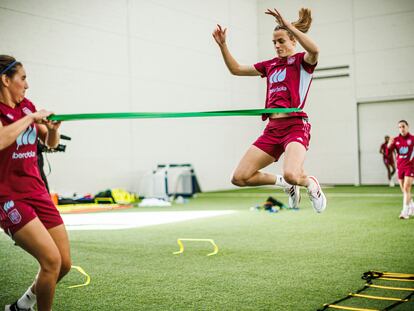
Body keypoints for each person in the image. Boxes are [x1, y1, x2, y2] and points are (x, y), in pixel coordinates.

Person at [212, 7, 326, 212]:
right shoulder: (270, 65)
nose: (277, 45)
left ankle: (311, 184)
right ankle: (284, 183)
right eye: (274, 42)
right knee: (239, 177)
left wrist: (289, 25)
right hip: (272, 129)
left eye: (281, 40)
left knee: (294, 173)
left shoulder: (302, 61)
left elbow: (315, 51)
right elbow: (236, 69)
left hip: (295, 127)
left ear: (293, 40)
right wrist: (223, 46)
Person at [0, 55, 71, 311]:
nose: (27, 85)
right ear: (5, 80)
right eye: (23, 78)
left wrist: (53, 129)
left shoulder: (27, 106)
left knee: (63, 264)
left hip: (37, 191)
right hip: (9, 197)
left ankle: (22, 305)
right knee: (51, 261)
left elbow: (49, 144)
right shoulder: (16, 113)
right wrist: (31, 119)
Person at [387, 120, 414, 219]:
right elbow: (387, 152)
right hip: (400, 167)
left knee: (407, 188)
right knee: (404, 190)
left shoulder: (413, 139)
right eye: (400, 127)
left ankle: (404, 212)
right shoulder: (396, 140)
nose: (402, 128)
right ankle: (412, 206)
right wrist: (389, 144)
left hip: (410, 167)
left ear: (408, 126)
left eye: (403, 126)